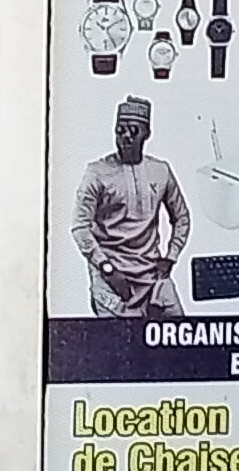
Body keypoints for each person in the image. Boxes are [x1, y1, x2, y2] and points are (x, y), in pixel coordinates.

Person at [71, 98, 190, 315]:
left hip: (152, 275)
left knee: (180, 332)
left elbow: (181, 217)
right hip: (110, 277)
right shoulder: (96, 172)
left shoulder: (160, 170)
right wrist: (106, 268)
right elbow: (79, 227)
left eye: (133, 130)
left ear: (146, 133)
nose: (126, 136)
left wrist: (171, 257)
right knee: (116, 335)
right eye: (120, 130)